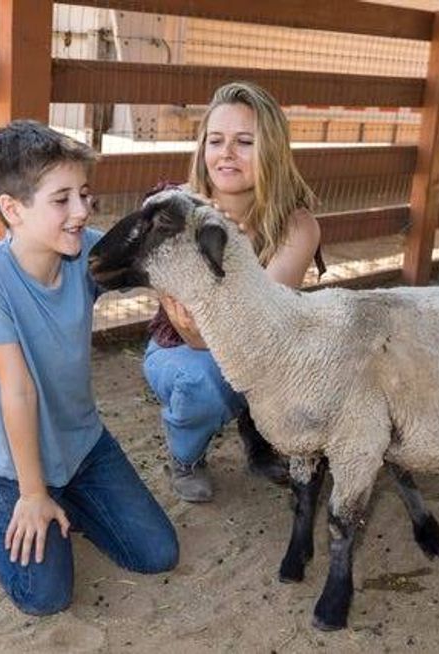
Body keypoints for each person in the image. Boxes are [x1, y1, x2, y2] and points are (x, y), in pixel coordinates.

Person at [0, 120, 178, 616]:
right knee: (46, 597)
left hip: (82, 446)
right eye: (62, 199)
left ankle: (68, 499)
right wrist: (34, 493)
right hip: (16, 464)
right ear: (12, 210)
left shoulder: (83, 252)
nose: (82, 211)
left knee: (157, 554)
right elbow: (16, 390)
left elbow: (150, 261)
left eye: (84, 194)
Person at [142, 81, 323, 503]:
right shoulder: (173, 211)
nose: (226, 153)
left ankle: (259, 434)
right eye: (216, 140)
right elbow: (191, 333)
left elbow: (260, 327)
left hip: (259, 349)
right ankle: (185, 456)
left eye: (244, 142)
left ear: (273, 151)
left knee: (318, 359)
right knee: (205, 379)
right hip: (183, 351)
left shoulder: (296, 226)